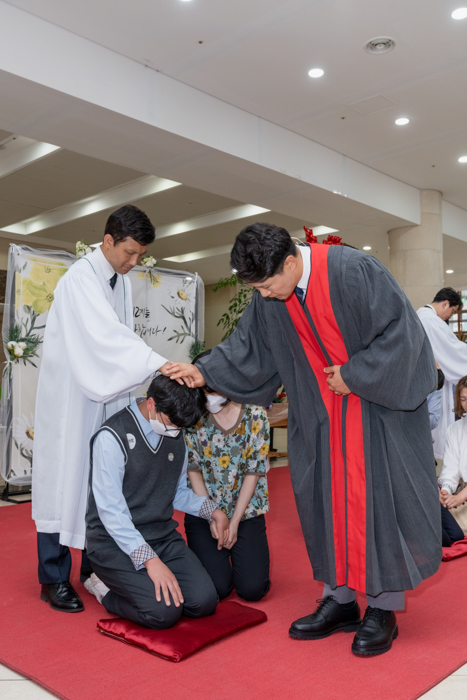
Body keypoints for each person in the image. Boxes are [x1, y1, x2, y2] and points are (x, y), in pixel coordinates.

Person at [167, 223, 441, 657]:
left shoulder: (354, 271)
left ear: (291, 261)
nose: (264, 295)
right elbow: (248, 346)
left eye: (268, 284)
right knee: (324, 504)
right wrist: (204, 372)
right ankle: (341, 600)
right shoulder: (271, 295)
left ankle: (383, 609)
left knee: (379, 507)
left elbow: (404, 338)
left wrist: (354, 375)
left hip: (376, 416)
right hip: (319, 420)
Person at [33, 204, 176, 613]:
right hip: (71, 401)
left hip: (104, 395)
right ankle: (53, 577)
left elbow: (117, 339)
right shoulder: (80, 277)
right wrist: (155, 362)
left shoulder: (121, 280)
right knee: (63, 485)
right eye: (130, 252)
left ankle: (92, 567)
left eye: (141, 256)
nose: (135, 262)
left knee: (99, 483)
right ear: (108, 241)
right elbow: (105, 335)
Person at [84, 375, 227, 628]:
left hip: (161, 537)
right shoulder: (111, 437)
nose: (176, 431)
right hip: (113, 543)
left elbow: (177, 492)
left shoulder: (175, 429)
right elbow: (111, 512)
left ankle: (144, 580)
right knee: (164, 612)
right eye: (172, 423)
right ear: (151, 403)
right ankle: (103, 588)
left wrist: (212, 511)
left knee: (204, 602)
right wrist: (150, 561)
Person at [184, 351, 271, 602]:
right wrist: (212, 514)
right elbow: (193, 469)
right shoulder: (194, 416)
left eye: (213, 391)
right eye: (204, 392)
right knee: (217, 588)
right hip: (205, 510)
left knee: (253, 590)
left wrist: (233, 523)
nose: (208, 398)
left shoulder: (255, 414)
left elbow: (254, 472)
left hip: (245, 511)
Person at [417, 288, 465, 459]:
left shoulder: (419, 315)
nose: (450, 317)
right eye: (452, 312)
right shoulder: (431, 321)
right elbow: (452, 351)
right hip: (432, 383)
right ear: (445, 304)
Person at [438, 376, 467, 548]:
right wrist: (447, 492)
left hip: (462, 496)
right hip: (461, 492)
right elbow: (450, 469)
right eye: (463, 399)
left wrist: (459, 498)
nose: (466, 404)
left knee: (454, 532)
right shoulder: (454, 429)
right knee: (450, 533)